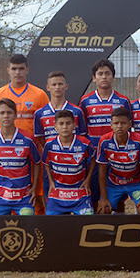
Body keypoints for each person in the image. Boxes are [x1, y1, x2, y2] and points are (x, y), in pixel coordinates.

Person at [0, 54, 49, 214]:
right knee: (8, 195)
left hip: (33, 155)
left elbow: (46, 125)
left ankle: (37, 227)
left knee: (36, 196)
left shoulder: (39, 95)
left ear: (27, 70)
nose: (17, 72)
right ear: (8, 70)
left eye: (21, 69)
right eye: (14, 69)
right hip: (9, 157)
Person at [80, 59, 131, 206]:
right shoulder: (85, 101)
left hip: (117, 156)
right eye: (100, 74)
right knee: (95, 194)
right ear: (94, 78)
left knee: (118, 197)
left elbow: (128, 128)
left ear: (113, 77)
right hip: (95, 157)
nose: (104, 77)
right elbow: (82, 130)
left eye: (107, 73)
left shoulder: (123, 101)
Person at [34, 71, 87, 199]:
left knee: (77, 196)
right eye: (54, 84)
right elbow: (40, 138)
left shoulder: (76, 111)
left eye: (60, 84)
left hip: (74, 164)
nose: (57, 87)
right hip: (52, 163)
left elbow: (83, 137)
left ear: (66, 86)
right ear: (48, 87)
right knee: (50, 195)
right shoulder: (40, 113)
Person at [0, 98, 40, 215]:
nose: (6, 116)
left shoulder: (28, 139)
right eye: (2, 113)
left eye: (9, 112)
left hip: (23, 197)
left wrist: (34, 187)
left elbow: (36, 162)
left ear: (15, 115)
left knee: (28, 225)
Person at [95, 107, 140, 214]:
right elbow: (102, 171)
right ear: (111, 125)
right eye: (116, 123)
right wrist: (104, 198)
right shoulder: (104, 141)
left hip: (135, 183)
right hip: (114, 183)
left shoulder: (138, 140)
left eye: (123, 123)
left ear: (129, 124)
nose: (119, 126)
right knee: (104, 210)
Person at [42, 110, 96, 215]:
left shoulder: (84, 143)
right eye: (61, 124)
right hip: (58, 191)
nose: (65, 127)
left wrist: (88, 179)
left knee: (88, 218)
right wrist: (51, 181)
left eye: (68, 123)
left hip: (79, 191)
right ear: (55, 127)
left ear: (74, 126)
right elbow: (46, 163)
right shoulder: (49, 144)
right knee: (50, 221)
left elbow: (94, 158)